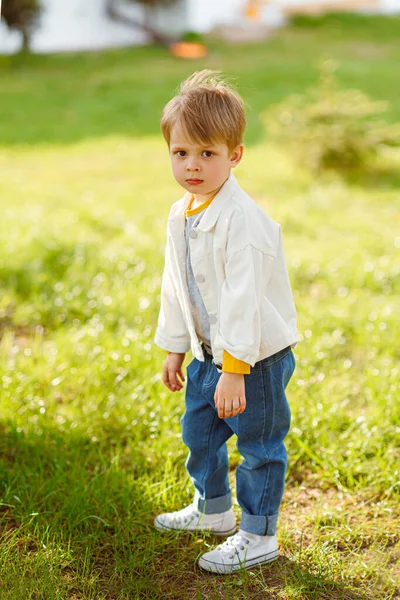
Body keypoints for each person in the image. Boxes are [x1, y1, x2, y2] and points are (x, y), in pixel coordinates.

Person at [153, 70, 298, 574]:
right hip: (206, 355)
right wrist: (175, 345)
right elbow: (177, 284)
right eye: (181, 153)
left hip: (252, 359)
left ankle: (259, 534)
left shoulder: (245, 222)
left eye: (207, 154)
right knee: (200, 435)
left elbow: (243, 303)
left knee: (258, 446)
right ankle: (212, 509)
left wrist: (236, 369)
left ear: (234, 155)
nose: (192, 165)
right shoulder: (182, 212)